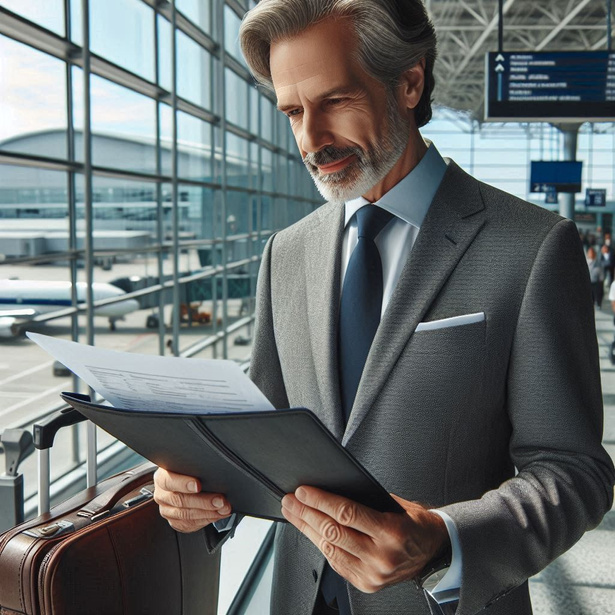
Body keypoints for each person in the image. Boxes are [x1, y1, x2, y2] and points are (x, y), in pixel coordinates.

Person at [153, 1, 615, 614]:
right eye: (293, 112)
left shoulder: (530, 247)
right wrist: (199, 491)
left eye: (335, 101)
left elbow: (573, 470)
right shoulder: (286, 254)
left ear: (409, 83)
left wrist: (446, 542)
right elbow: (256, 436)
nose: (311, 139)